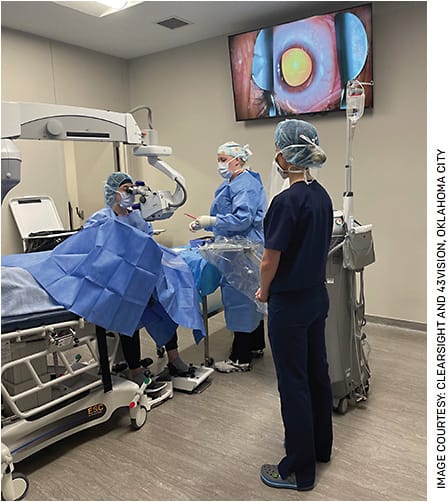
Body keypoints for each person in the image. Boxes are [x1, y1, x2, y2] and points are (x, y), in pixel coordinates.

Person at [255, 119, 333, 491]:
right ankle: (321, 447)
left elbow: (270, 261)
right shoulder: (322, 196)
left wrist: (263, 291)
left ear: (286, 155)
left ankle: (299, 470)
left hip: (290, 304)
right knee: (317, 372)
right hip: (317, 298)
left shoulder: (286, 202)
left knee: (293, 383)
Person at [84, 172, 192, 388]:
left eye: (132, 188)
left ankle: (174, 358)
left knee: (165, 310)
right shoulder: (102, 218)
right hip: (120, 279)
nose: (130, 193)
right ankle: (135, 370)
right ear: (113, 192)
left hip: (145, 274)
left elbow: (148, 241)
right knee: (129, 320)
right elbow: (91, 247)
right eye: (126, 189)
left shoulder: (139, 215)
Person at [189, 142, 267, 372]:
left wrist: (211, 221)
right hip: (236, 247)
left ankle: (240, 357)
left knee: (240, 300)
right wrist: (209, 225)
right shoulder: (232, 183)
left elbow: (242, 219)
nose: (220, 164)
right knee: (251, 298)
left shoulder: (245, 184)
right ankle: (254, 346)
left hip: (241, 251)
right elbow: (226, 215)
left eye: (223, 159)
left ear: (238, 160)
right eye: (219, 159)